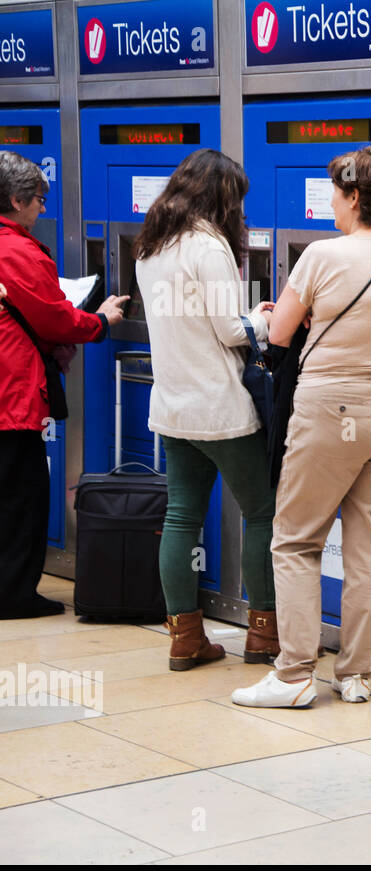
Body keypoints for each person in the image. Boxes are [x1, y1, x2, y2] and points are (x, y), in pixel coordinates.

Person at [232, 146, 371, 709]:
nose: (332, 202)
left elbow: (278, 335)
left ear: (355, 197)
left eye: (337, 193)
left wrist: (284, 314)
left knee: (296, 539)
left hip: (333, 411)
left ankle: (294, 675)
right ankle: (356, 673)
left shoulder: (323, 255)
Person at [134, 148, 278, 671]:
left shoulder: (151, 246)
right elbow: (228, 331)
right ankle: (263, 634)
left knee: (181, 516)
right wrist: (265, 319)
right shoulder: (208, 246)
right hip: (219, 409)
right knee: (263, 512)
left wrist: (242, 317)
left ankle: (184, 638)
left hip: (172, 406)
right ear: (221, 196)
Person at [0, 152, 127, 619]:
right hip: (10, 397)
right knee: (21, 499)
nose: (42, 209)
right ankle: (13, 595)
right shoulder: (16, 250)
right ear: (16, 200)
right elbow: (54, 316)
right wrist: (99, 321)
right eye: (38, 200)